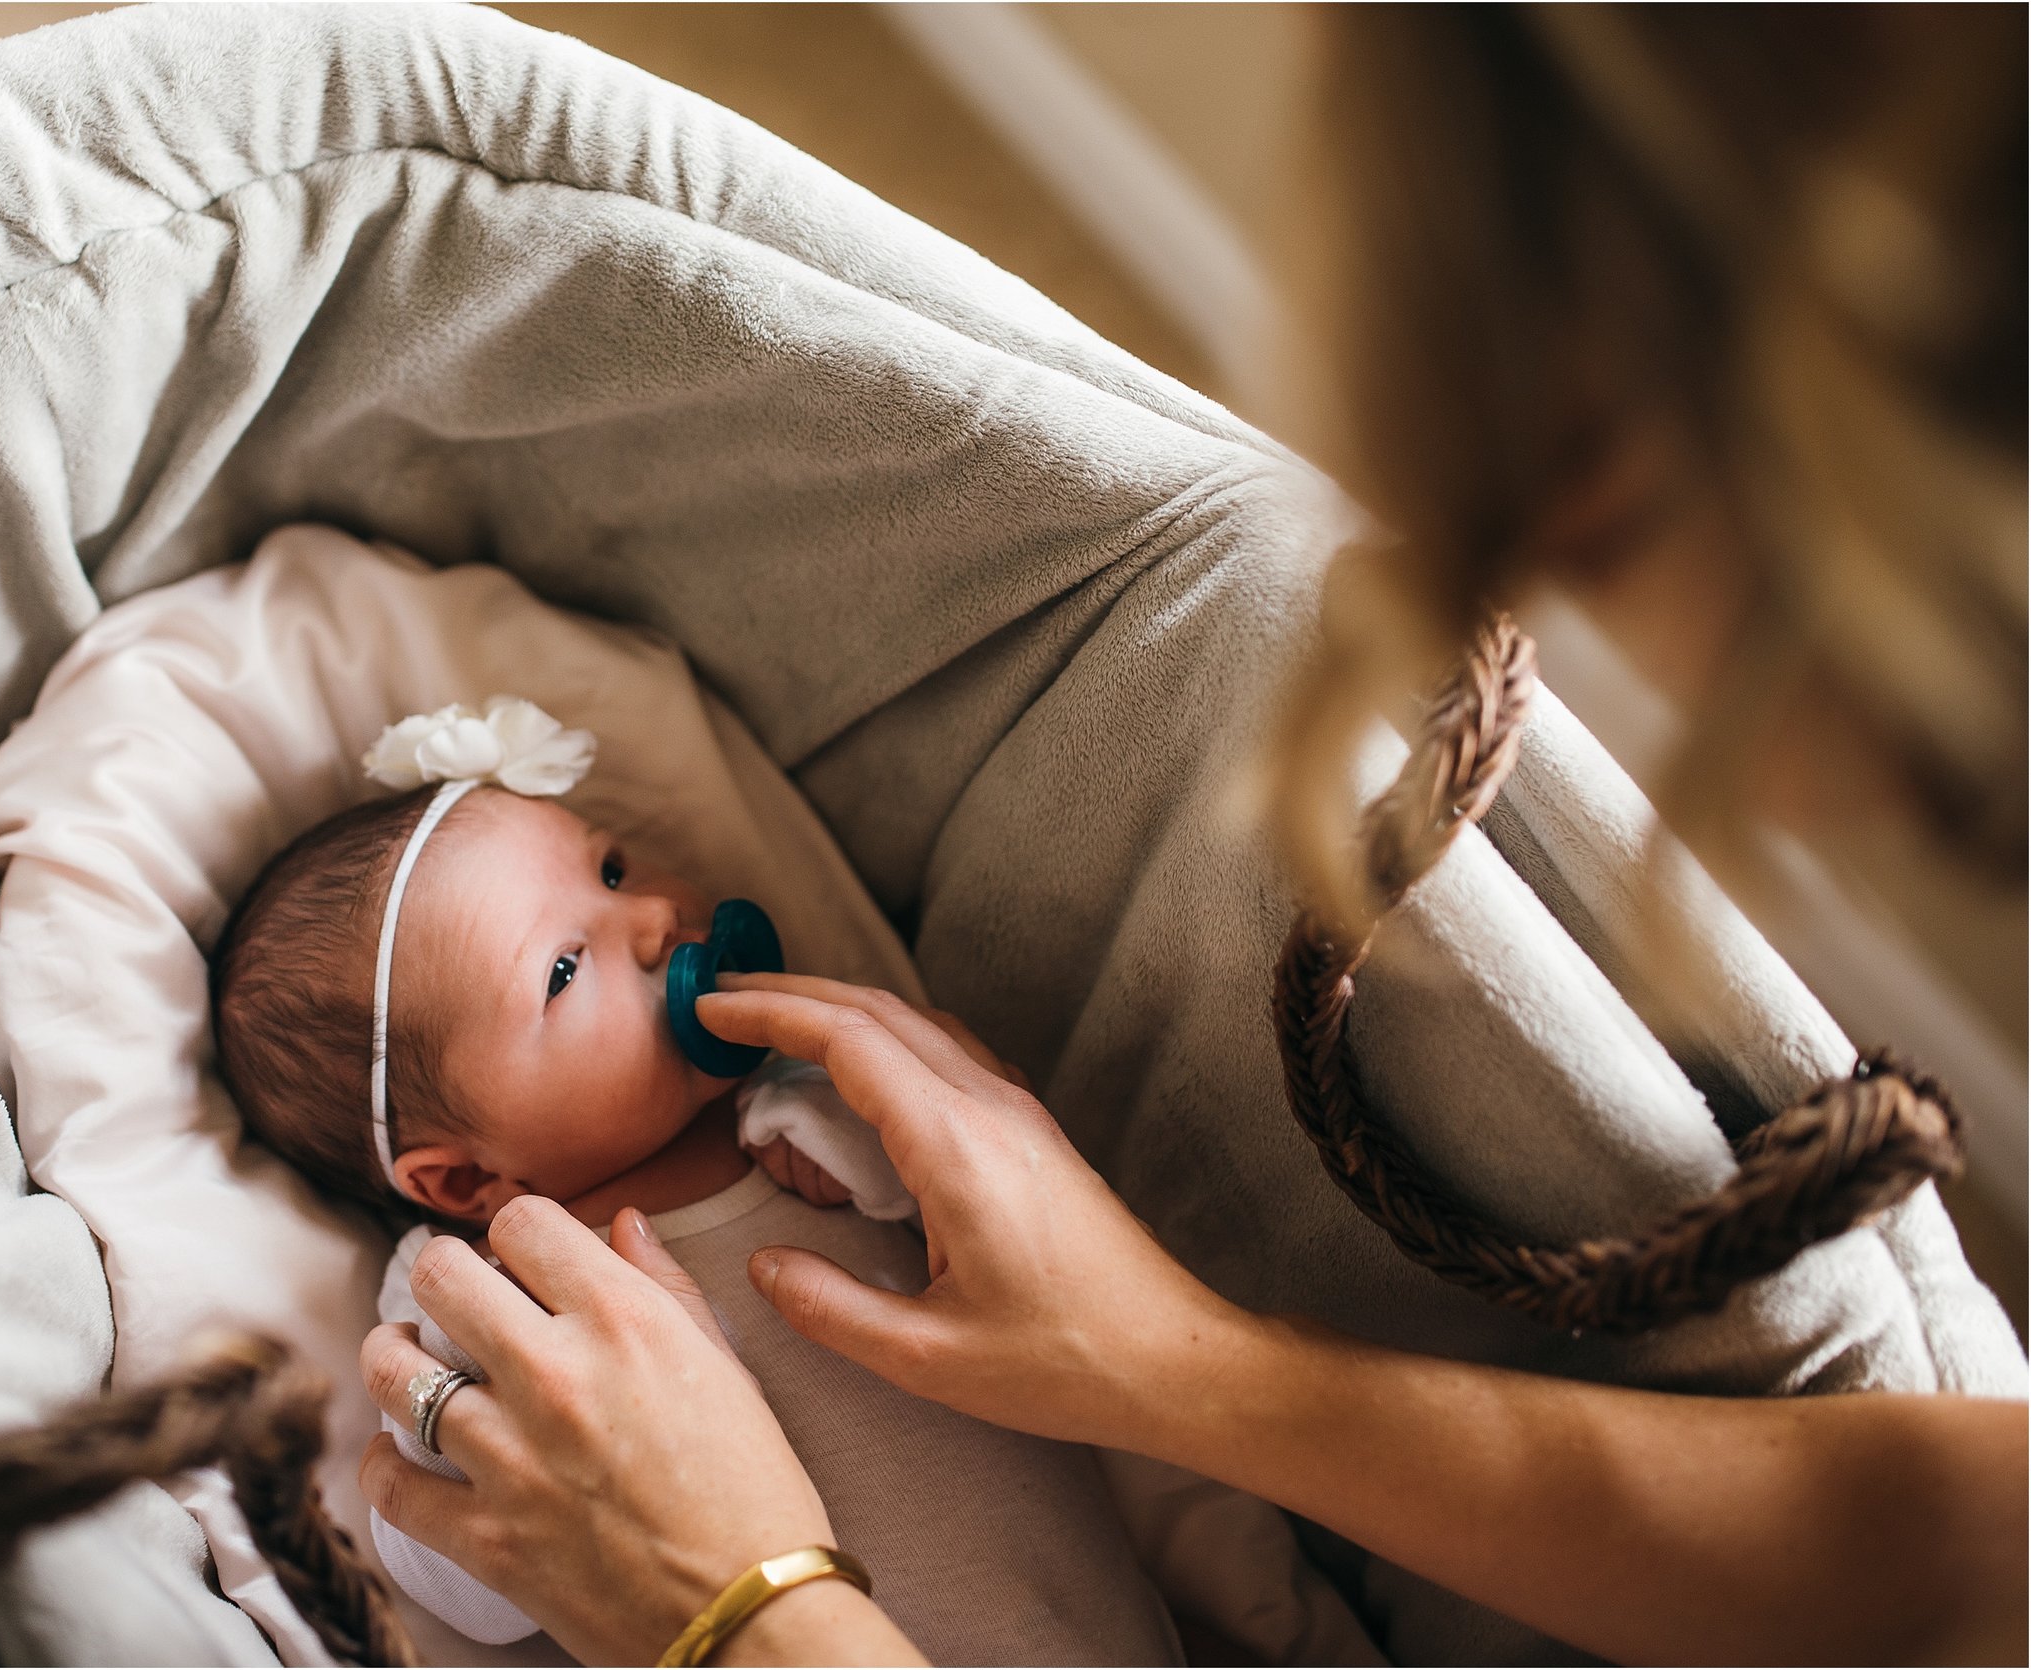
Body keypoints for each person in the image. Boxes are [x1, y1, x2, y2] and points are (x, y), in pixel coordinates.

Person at [358, 9, 2026, 1665]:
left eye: (1585, 511)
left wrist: (737, 1613)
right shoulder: (493, 1283)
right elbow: (1950, 1543)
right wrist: (1178, 1365)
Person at [217, 698, 1353, 1661]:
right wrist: (441, 1440)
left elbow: (986, 1253)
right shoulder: (479, 1298)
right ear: (462, 1173)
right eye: (564, 966)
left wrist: (858, 1153)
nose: (654, 914)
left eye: (610, 868)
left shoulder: (811, 1112)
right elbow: (478, 1579)